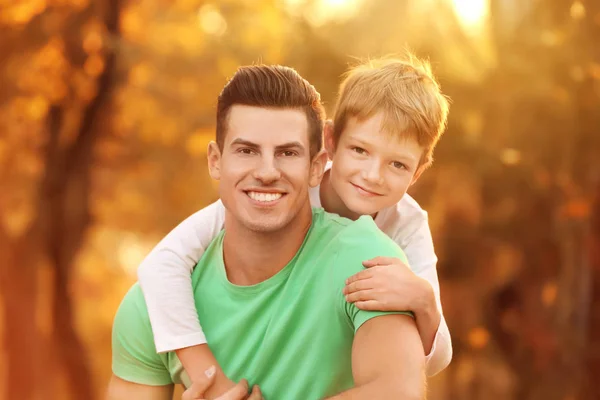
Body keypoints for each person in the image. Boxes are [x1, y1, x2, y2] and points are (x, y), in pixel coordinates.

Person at [136, 55, 452, 395]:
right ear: (330, 142)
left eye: (398, 165)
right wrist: (209, 380)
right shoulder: (278, 192)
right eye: (360, 150)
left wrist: (425, 302)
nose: (372, 175)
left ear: (418, 171)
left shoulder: (407, 225)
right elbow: (162, 263)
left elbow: (434, 361)